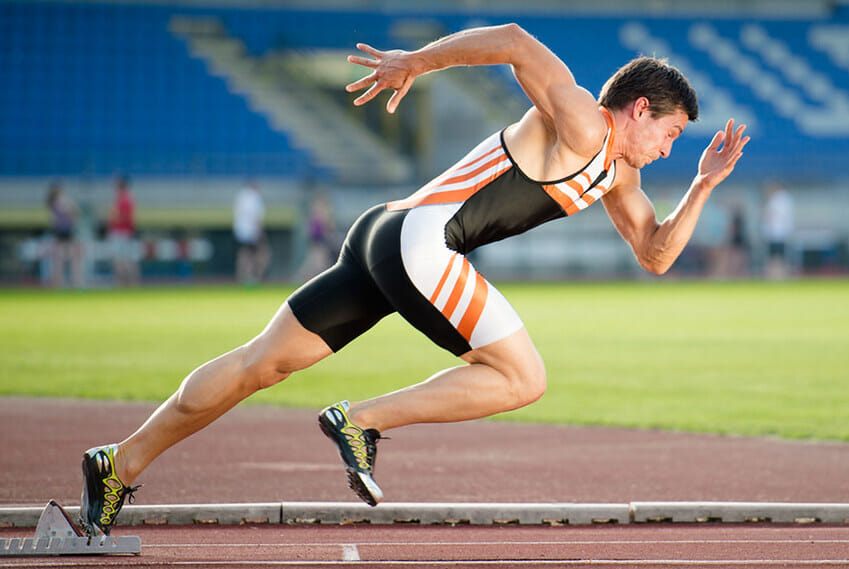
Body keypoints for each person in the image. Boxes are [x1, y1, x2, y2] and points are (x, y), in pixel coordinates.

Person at [78, 23, 749, 537]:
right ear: (638, 109)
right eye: (672, 133)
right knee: (524, 377)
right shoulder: (580, 120)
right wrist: (416, 62)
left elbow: (655, 253)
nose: (670, 148)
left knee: (261, 363)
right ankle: (360, 421)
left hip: (383, 235)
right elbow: (515, 42)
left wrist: (701, 185)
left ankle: (121, 462)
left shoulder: (619, 176)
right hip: (422, 243)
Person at [45, 181, 84, 288]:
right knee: (65, 258)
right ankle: (67, 281)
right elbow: (72, 210)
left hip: (64, 231)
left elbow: (74, 212)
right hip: (63, 231)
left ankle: (67, 280)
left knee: (64, 257)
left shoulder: (54, 202)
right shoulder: (57, 201)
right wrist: (71, 208)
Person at [233, 179, 270, 285]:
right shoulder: (254, 197)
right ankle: (253, 277)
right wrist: (259, 231)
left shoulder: (241, 196)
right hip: (252, 231)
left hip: (241, 231)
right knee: (259, 254)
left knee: (245, 254)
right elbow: (256, 217)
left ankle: (243, 276)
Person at [107, 175, 140, 287]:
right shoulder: (123, 198)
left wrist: (114, 216)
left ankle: (125, 283)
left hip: (122, 233)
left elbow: (128, 217)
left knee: (123, 260)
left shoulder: (125, 199)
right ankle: (127, 283)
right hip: (123, 232)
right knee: (123, 259)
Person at [761, 181, 794, 280]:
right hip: (781, 232)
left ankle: (775, 275)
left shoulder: (776, 200)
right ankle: (779, 274)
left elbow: (770, 215)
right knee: (780, 256)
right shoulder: (786, 199)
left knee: (775, 257)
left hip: (775, 233)